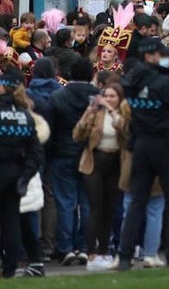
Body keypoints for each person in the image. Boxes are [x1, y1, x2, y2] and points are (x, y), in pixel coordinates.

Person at [119, 38, 169, 270]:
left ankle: (125, 255)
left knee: (136, 201)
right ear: (151, 56)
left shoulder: (130, 83)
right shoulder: (165, 82)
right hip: (166, 144)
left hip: (140, 144)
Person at [72, 80, 130, 271]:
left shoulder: (123, 113)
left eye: (112, 96)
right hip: (94, 163)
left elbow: (126, 130)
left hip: (115, 163)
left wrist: (112, 111)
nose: (108, 99)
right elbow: (77, 135)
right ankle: (91, 253)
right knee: (95, 208)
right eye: (105, 96)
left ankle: (105, 251)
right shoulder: (95, 114)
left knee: (109, 210)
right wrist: (87, 113)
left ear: (119, 98)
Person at [47, 58, 98, 266]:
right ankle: (85, 246)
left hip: (62, 154)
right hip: (90, 155)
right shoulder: (98, 98)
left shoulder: (58, 96)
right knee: (87, 203)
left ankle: (65, 247)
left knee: (65, 203)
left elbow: (51, 129)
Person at [0, 68, 44, 280]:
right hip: (16, 173)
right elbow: (36, 152)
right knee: (11, 222)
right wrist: (25, 177)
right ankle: (10, 268)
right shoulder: (25, 115)